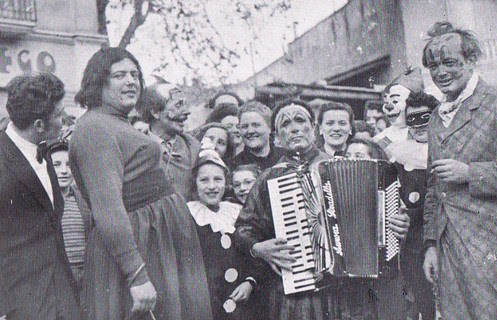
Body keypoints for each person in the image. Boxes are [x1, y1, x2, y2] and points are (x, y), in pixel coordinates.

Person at [70, 47, 212, 320]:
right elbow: (108, 208)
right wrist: (137, 275)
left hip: (156, 242)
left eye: (135, 74)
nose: (131, 81)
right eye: (120, 75)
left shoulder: (116, 122)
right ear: (99, 81)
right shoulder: (94, 128)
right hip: (141, 247)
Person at [421, 22, 497, 319]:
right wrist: (431, 245)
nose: (441, 72)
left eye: (449, 62)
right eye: (434, 65)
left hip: (490, 245)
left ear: (471, 60)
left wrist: (470, 172)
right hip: (448, 248)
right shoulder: (434, 118)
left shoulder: (495, 102)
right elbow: (432, 186)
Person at [234, 100, 338, 319]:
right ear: (277, 136)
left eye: (300, 120)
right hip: (293, 290)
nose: (294, 128)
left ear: (314, 128)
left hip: (342, 289)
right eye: (286, 124)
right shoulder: (270, 177)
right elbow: (244, 228)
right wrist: (258, 247)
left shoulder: (336, 166)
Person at [0, 73, 82, 319]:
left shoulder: (43, 151)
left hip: (63, 300)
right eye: (59, 115)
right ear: (38, 125)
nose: (64, 121)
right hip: (22, 306)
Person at [343, 138, 410, 320]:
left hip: (384, 274)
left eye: (358, 156)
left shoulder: (388, 187)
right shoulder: (337, 190)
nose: (351, 160)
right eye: (347, 156)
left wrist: (401, 228)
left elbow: (402, 224)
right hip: (349, 279)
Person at [187, 146, 257, 320]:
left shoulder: (236, 212)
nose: (212, 186)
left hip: (242, 301)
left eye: (217, 179)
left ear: (226, 183)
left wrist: (249, 281)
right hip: (208, 303)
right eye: (204, 180)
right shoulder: (189, 215)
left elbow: (251, 254)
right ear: (195, 183)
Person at [386, 91, 439, 320]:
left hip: (441, 236)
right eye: (412, 119)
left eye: (424, 119)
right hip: (412, 242)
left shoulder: (445, 149)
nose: (418, 125)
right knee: (421, 302)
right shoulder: (399, 154)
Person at [137, 82, 200, 199]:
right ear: (155, 112)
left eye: (185, 105)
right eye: (178, 105)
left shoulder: (193, 147)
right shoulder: (137, 149)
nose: (187, 112)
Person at [48, 140, 91, 291]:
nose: (64, 171)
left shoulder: (84, 199)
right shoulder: (43, 202)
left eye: (69, 165)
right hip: (56, 281)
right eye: (57, 165)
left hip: (85, 278)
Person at [374, 68, 424, 157]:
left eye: (395, 101)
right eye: (385, 102)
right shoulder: (381, 139)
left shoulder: (425, 134)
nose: (388, 107)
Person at [228, 101, 285, 171]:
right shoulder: (232, 166)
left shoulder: (285, 157)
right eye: (245, 126)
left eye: (256, 125)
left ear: (269, 128)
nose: (250, 131)